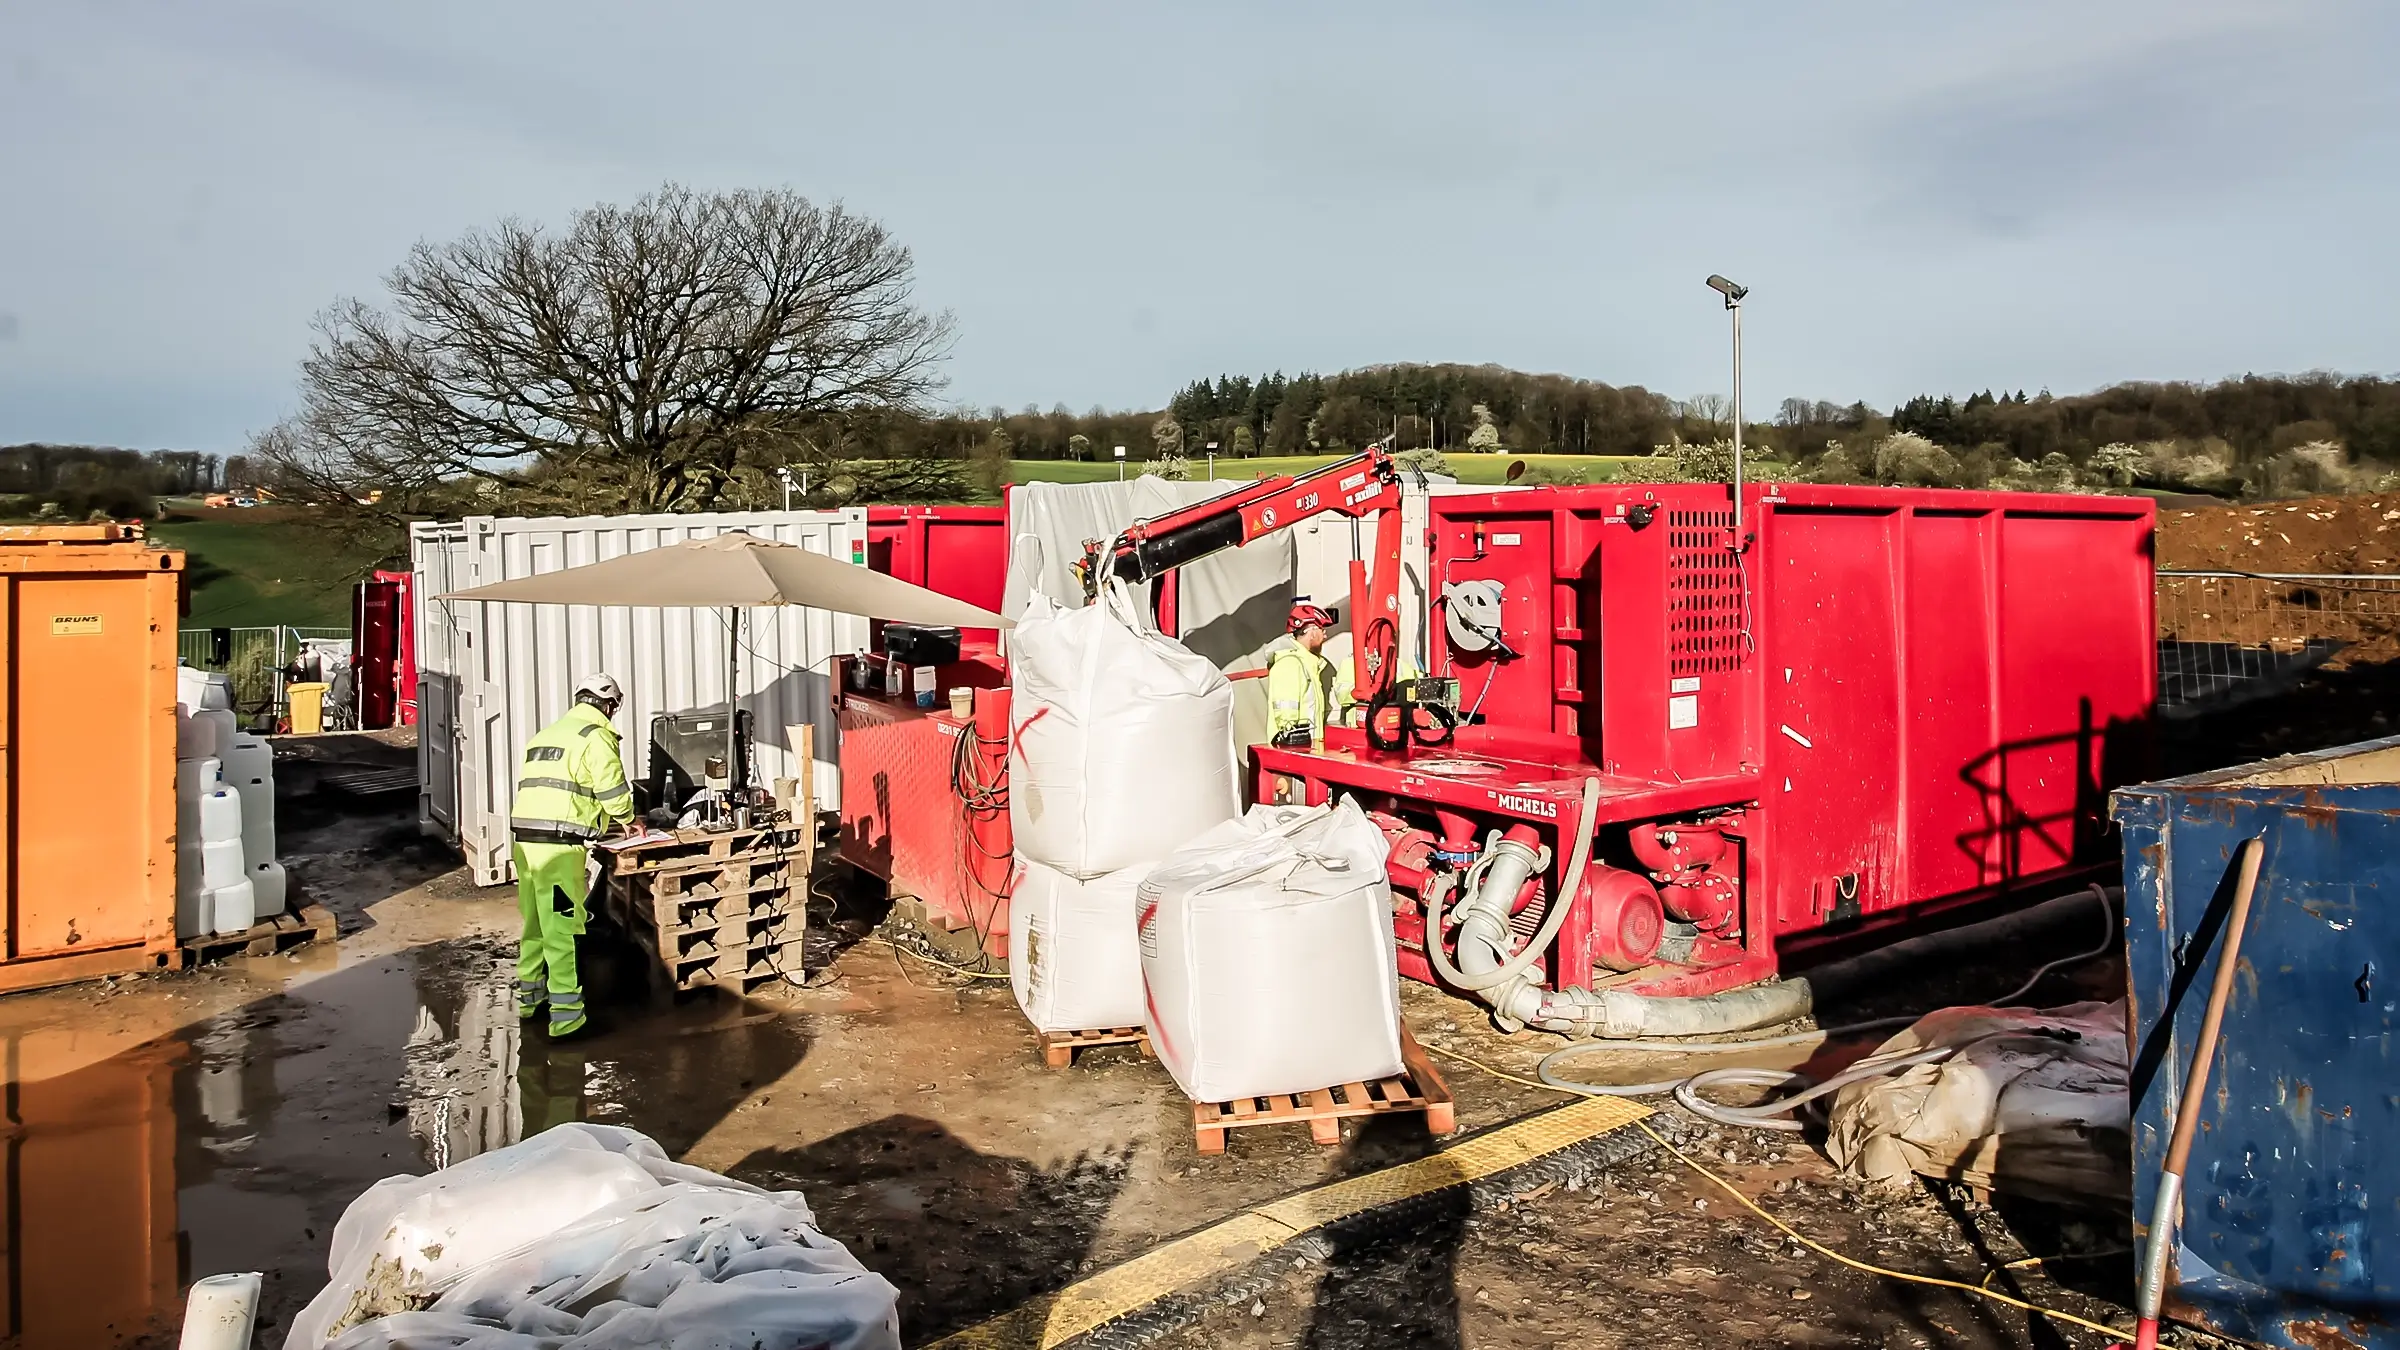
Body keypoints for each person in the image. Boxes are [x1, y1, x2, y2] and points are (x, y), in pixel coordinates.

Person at [508, 672, 636, 1037]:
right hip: (557, 849)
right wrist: (628, 820)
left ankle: (530, 1002)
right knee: (562, 927)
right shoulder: (595, 737)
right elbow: (612, 791)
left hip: (526, 842)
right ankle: (567, 1019)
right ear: (609, 705)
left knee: (535, 922)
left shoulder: (546, 735)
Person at [1267, 602, 1352, 748]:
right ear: (1311, 632)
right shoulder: (1290, 664)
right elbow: (1286, 720)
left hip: (1308, 750)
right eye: (1322, 629)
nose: (1325, 635)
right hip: (1295, 752)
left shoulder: (1309, 665)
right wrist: (1293, 747)